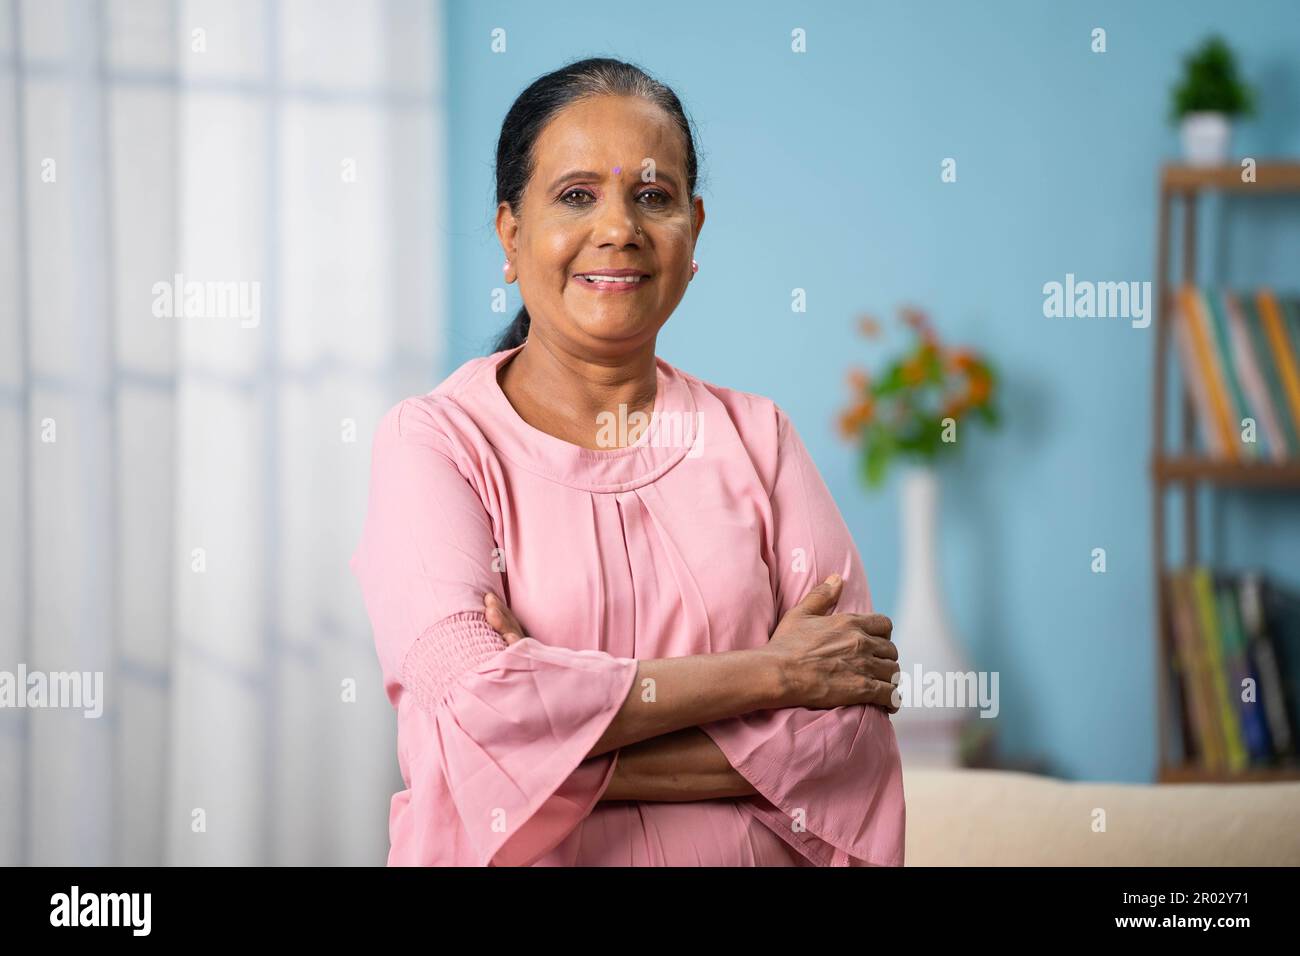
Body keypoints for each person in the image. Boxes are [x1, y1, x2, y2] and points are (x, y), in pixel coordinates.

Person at [350, 57, 905, 866]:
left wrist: (544, 743)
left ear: (694, 229)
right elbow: (469, 712)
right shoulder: (433, 444)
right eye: (577, 196)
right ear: (510, 233)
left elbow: (847, 734)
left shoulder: (760, 439)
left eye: (653, 196)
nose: (620, 228)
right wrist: (772, 678)